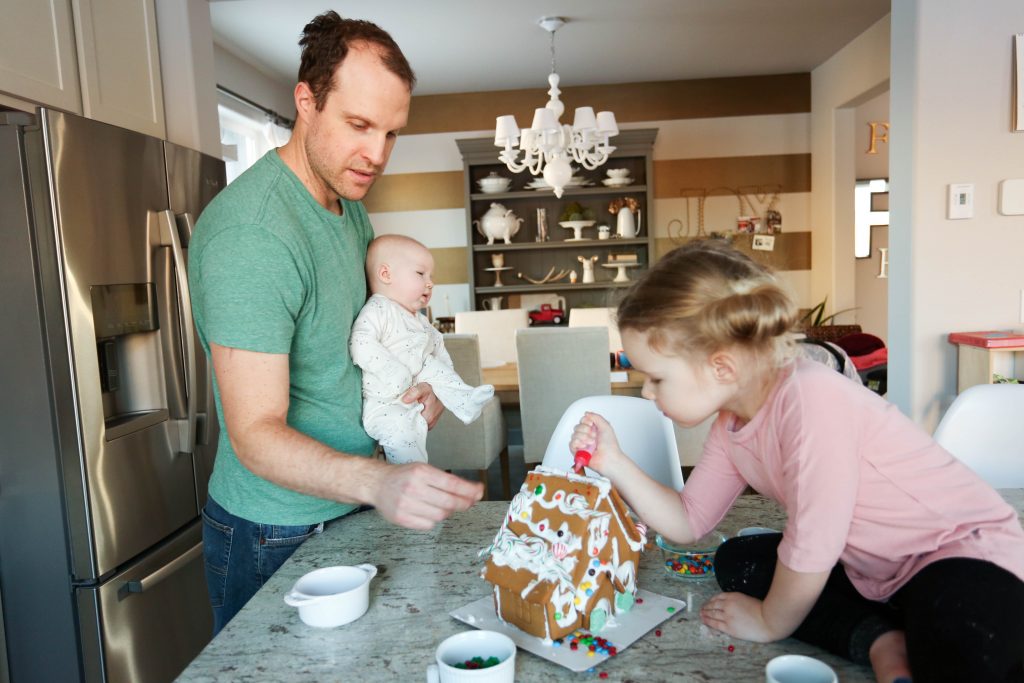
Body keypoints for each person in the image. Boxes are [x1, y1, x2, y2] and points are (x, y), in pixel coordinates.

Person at [569, 239, 1024, 682]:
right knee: (738, 561)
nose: (647, 393)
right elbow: (690, 521)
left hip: (959, 554)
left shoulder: (812, 399)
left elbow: (813, 546)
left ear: (721, 367)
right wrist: (612, 460)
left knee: (962, 646)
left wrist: (771, 623)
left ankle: (897, 632)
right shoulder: (731, 422)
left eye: (656, 378)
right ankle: (881, 640)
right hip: (876, 570)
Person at [188, 12, 482, 635]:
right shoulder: (253, 235)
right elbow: (255, 435)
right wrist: (381, 481)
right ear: (306, 102)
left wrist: (414, 387)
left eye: (392, 133)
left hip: (348, 503)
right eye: (358, 125)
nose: (376, 154)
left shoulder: (347, 208)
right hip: (276, 531)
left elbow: (355, 343)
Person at [351, 234, 494, 464]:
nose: (430, 283)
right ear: (386, 274)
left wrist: (446, 374)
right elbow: (360, 343)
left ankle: (465, 399)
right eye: (420, 274)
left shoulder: (418, 318)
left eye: (431, 277)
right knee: (403, 436)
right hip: (385, 401)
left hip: (415, 385)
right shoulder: (379, 309)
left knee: (437, 370)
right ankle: (409, 479)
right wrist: (392, 372)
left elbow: (437, 344)